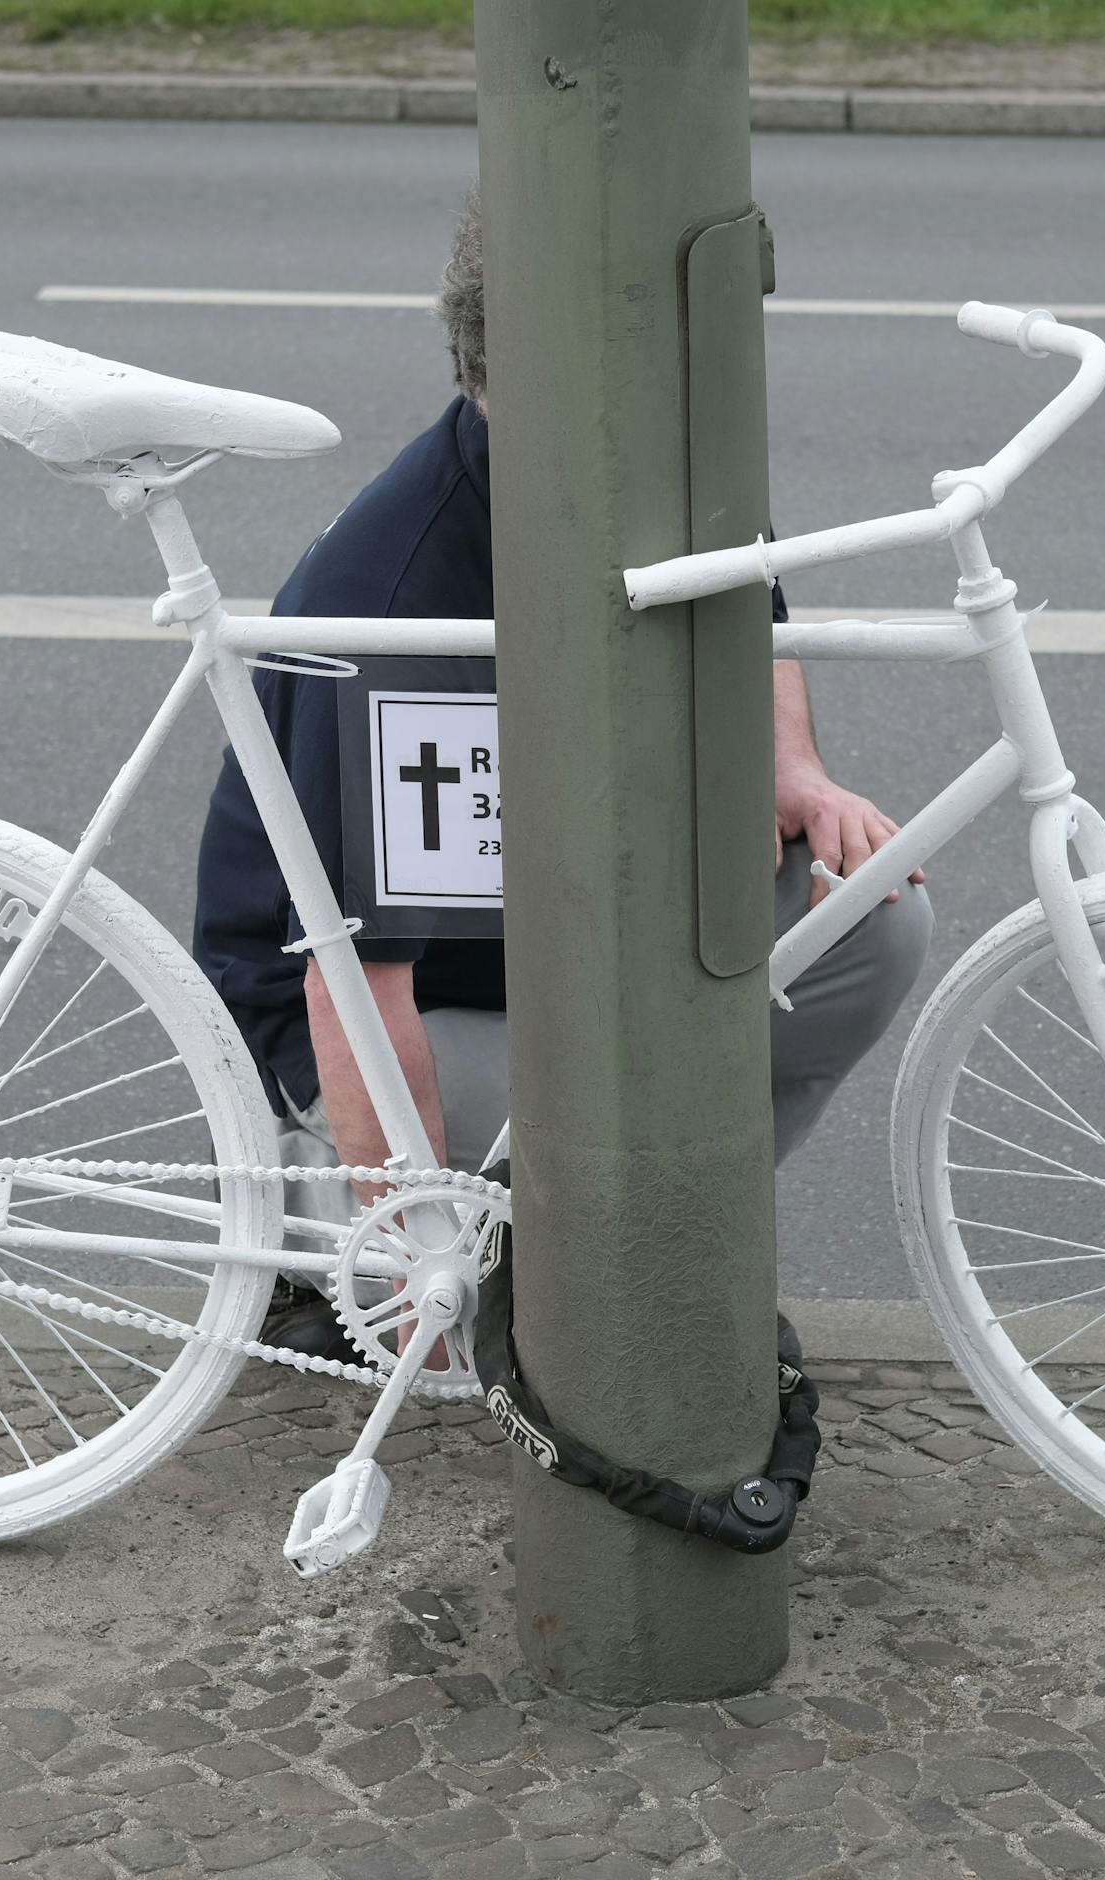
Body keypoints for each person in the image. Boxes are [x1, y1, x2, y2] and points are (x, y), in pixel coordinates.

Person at [192, 189, 934, 1359]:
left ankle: (654, 1244)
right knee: (622, 1103)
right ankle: (376, 1221)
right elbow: (352, 986)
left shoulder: (649, 463)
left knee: (871, 925)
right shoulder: (401, 601)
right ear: (538, 377)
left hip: (558, 932)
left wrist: (794, 766)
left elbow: (754, 605)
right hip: (403, 999)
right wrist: (406, 1250)